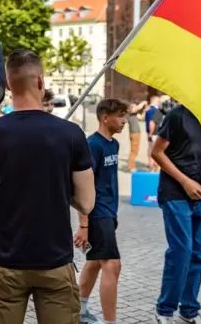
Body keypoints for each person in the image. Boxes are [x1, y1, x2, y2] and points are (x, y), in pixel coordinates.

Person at [0, 49, 96, 323]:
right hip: (55, 262)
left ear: (7, 85)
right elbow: (86, 202)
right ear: (41, 81)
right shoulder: (71, 134)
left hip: (6, 262)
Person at [151, 104, 201, 324]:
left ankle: (188, 310)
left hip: (196, 194)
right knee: (182, 251)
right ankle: (165, 309)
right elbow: (156, 152)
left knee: (197, 253)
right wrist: (185, 181)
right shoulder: (177, 115)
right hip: (174, 191)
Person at [74, 98, 127, 324]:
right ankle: (110, 322)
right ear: (105, 117)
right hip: (97, 213)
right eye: (120, 116)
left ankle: (78, 310)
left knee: (95, 261)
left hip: (109, 212)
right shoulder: (92, 145)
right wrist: (84, 225)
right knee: (112, 264)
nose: (125, 121)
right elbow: (82, 185)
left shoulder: (113, 144)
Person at [126, 100, 147, 172]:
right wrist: (143, 103)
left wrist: (144, 110)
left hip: (137, 133)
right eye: (134, 106)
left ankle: (131, 166)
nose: (135, 107)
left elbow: (141, 117)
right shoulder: (130, 113)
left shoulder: (134, 114)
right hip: (134, 133)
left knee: (136, 151)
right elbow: (136, 108)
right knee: (133, 151)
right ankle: (131, 167)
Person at [145, 95, 164, 172]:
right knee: (157, 151)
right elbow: (151, 123)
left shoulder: (148, 110)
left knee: (150, 149)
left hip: (150, 132)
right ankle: (155, 167)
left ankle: (151, 166)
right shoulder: (156, 111)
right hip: (155, 133)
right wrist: (151, 133)